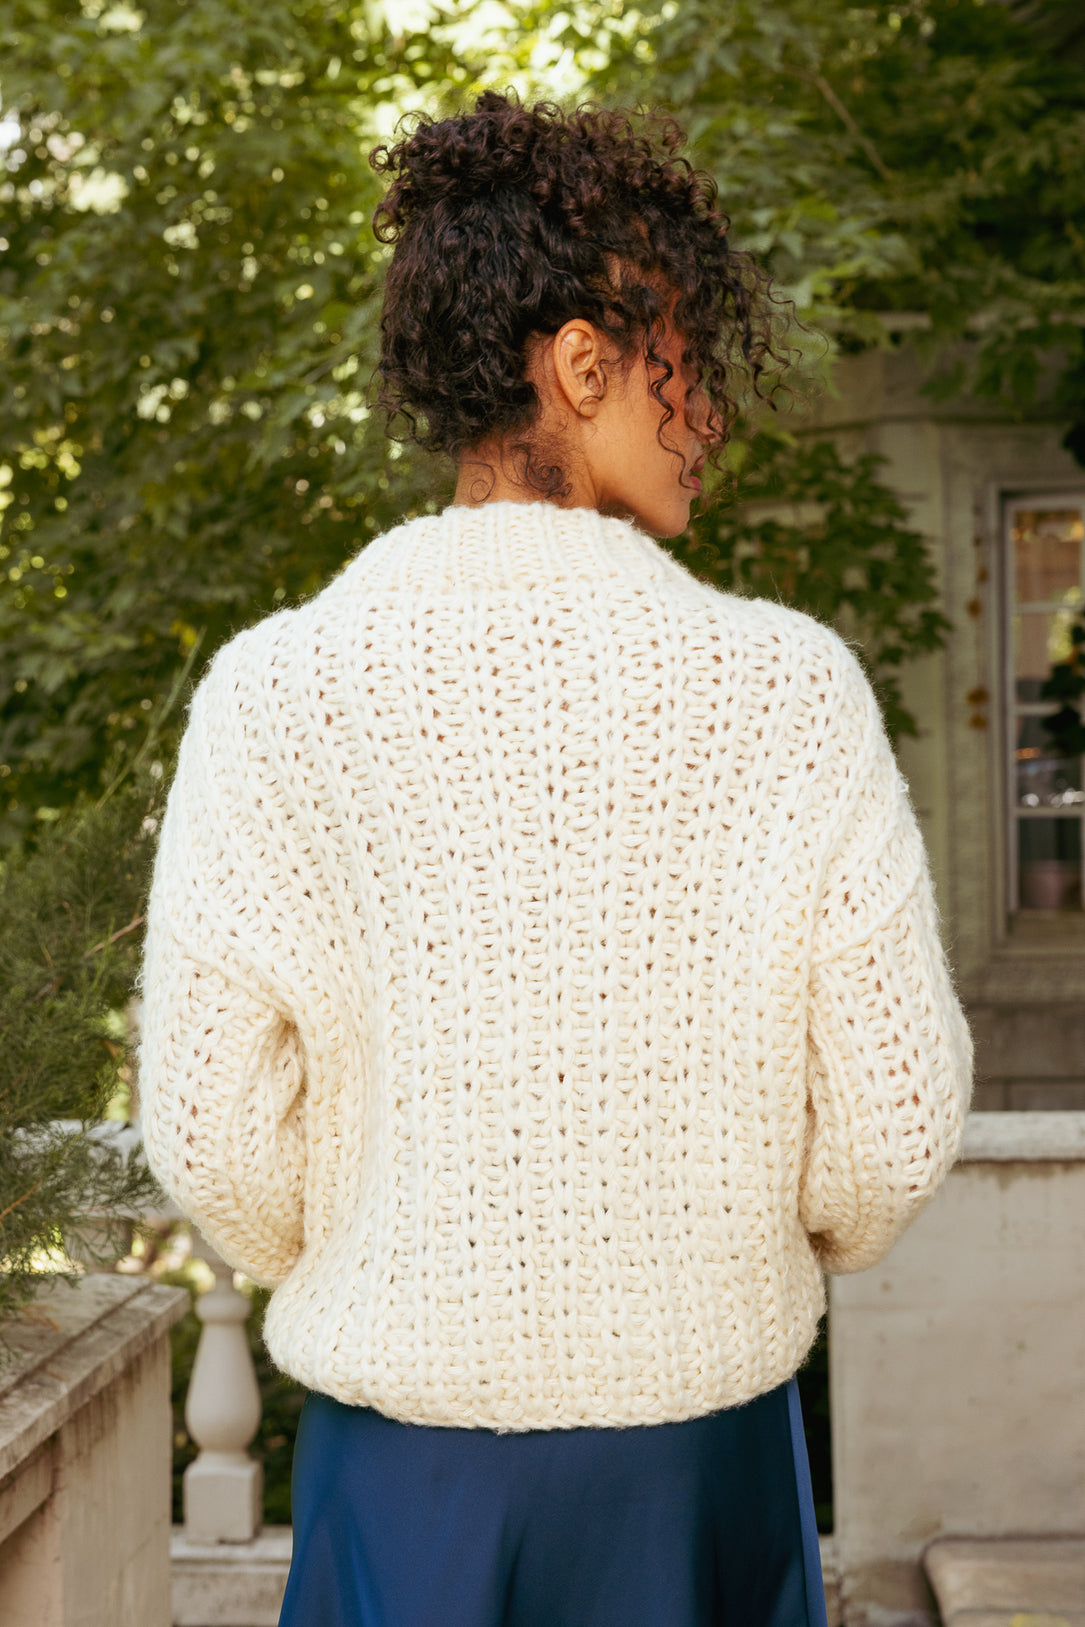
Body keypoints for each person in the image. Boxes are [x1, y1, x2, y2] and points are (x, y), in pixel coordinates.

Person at [137, 92, 973, 1627]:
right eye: (689, 365)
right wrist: (714, 1237)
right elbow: (893, 1128)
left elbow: (217, 1144)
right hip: (698, 1466)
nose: (713, 411)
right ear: (583, 364)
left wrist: (397, 1234)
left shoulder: (276, 690)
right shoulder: (784, 689)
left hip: (401, 1477)